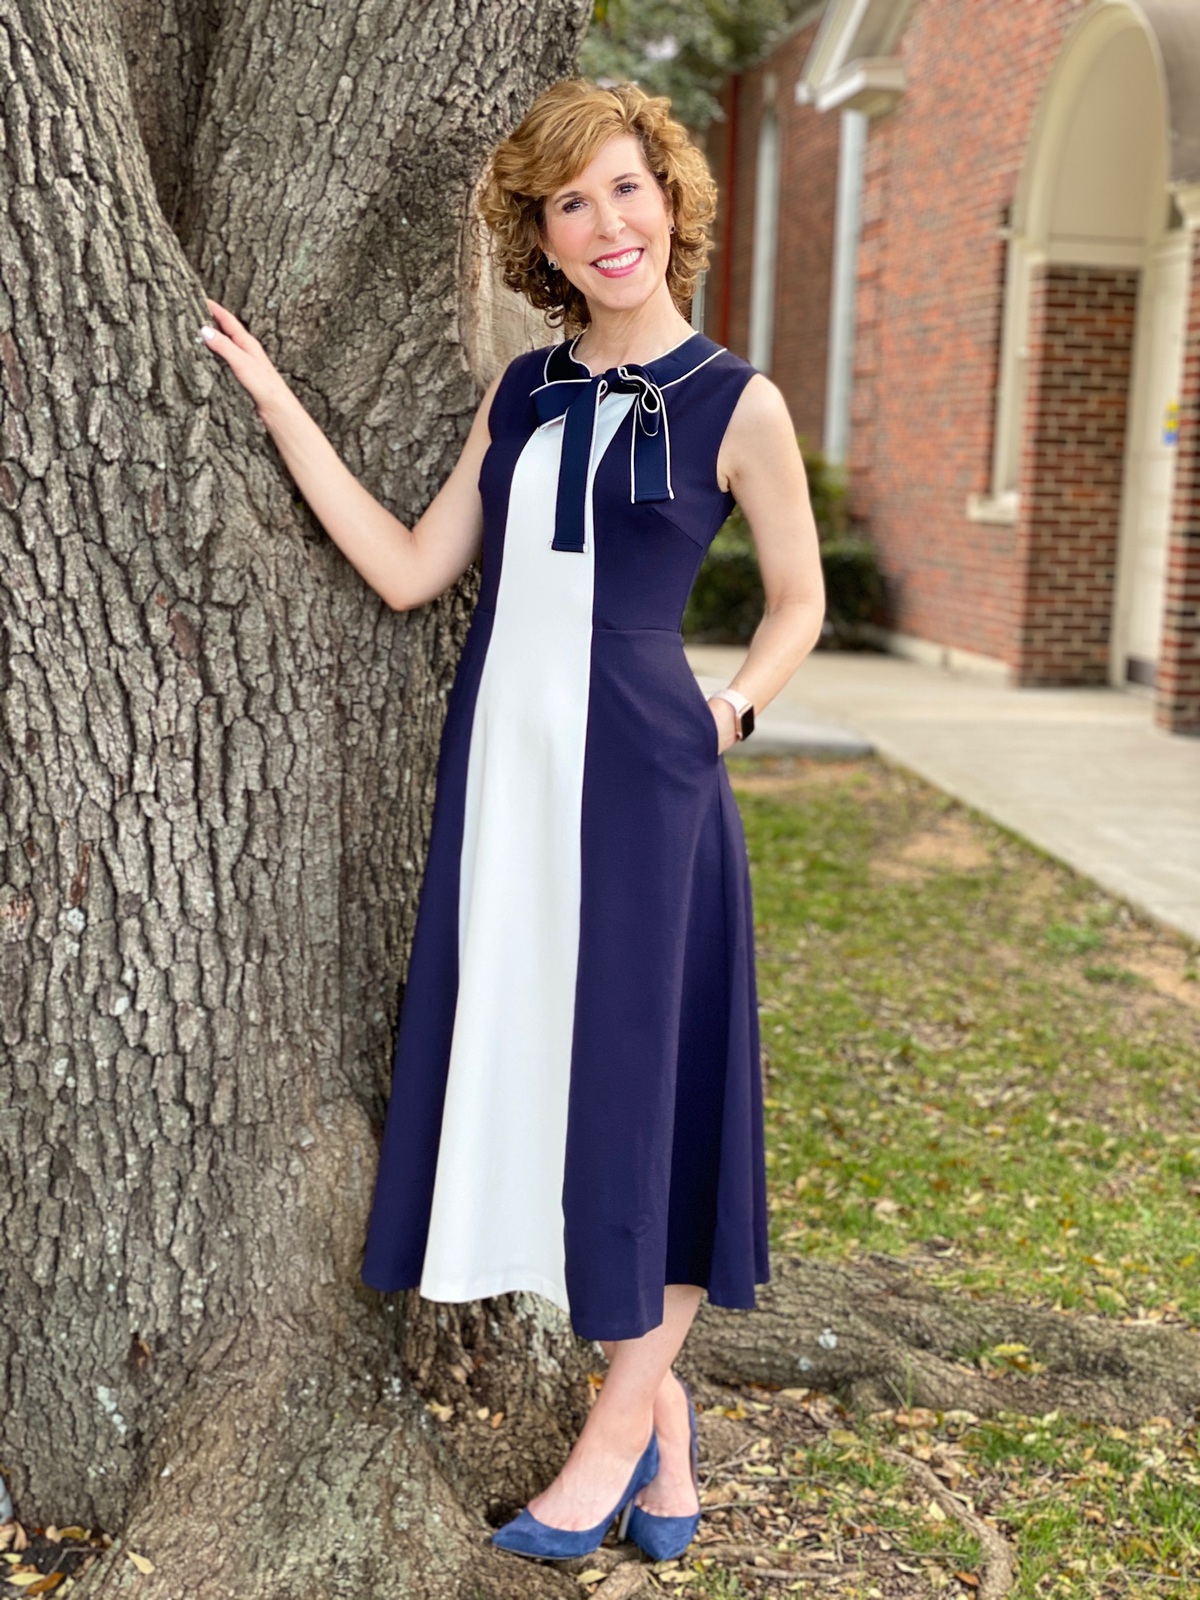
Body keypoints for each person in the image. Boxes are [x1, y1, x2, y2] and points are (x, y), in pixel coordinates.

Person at [197, 76, 823, 1566]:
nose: (606, 223)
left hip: (650, 788)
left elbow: (798, 602)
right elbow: (415, 570)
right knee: (553, 1091)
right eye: (569, 201)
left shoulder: (743, 401)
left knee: (649, 1101)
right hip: (513, 790)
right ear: (539, 234)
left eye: (626, 188)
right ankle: (661, 1431)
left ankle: (613, 1436)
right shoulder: (527, 390)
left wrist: (733, 712)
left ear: (670, 200)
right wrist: (276, 395)